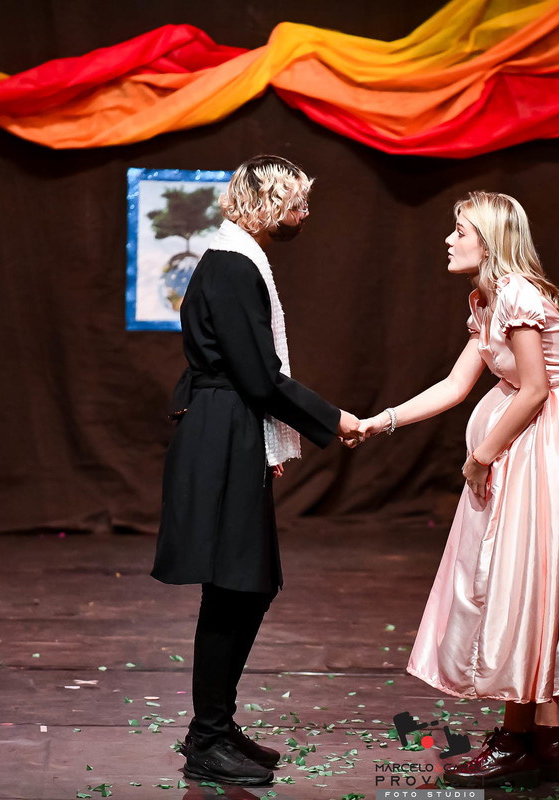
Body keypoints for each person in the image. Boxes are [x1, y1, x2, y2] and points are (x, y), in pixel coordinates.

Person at [359, 192, 559, 788]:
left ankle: (517, 743)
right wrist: (380, 422)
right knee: (522, 588)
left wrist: (481, 457)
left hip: (552, 445)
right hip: (531, 442)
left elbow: (534, 390)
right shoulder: (488, 299)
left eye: (461, 231)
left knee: (525, 587)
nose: (449, 240)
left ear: (491, 240)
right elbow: (455, 386)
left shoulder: (519, 294)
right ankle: (540, 744)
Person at [152, 155, 363, 786]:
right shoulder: (233, 264)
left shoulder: (236, 260)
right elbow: (258, 376)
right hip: (223, 432)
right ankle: (207, 738)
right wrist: (333, 419)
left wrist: (265, 445)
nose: (304, 214)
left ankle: (214, 728)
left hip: (233, 430)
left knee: (247, 584)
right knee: (234, 586)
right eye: (297, 203)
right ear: (267, 205)